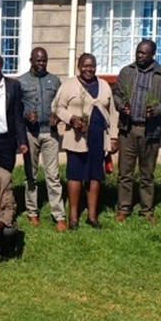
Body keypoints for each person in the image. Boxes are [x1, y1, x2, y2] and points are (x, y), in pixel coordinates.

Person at [113, 39, 161, 223]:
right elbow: (116, 93)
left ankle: (146, 209)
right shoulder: (127, 71)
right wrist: (121, 106)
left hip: (150, 131)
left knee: (147, 173)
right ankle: (124, 208)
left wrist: (157, 109)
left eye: (144, 53)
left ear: (152, 55)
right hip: (128, 129)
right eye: (138, 52)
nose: (139, 55)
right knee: (125, 172)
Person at [52, 53, 119, 229]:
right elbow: (57, 107)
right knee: (75, 175)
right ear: (78, 67)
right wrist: (71, 118)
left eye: (92, 66)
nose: (89, 69)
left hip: (99, 138)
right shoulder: (68, 85)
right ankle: (73, 217)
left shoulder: (104, 85)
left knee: (95, 175)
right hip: (76, 138)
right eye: (85, 65)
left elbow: (112, 113)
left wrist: (113, 137)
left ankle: (92, 216)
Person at [17, 47, 65, 230]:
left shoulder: (54, 80)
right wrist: (25, 115)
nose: (41, 64)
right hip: (31, 133)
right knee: (31, 174)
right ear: (31, 60)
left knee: (53, 175)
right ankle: (32, 212)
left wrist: (57, 116)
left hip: (50, 133)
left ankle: (59, 214)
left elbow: (61, 103)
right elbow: (15, 108)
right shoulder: (21, 82)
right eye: (38, 61)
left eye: (44, 61)